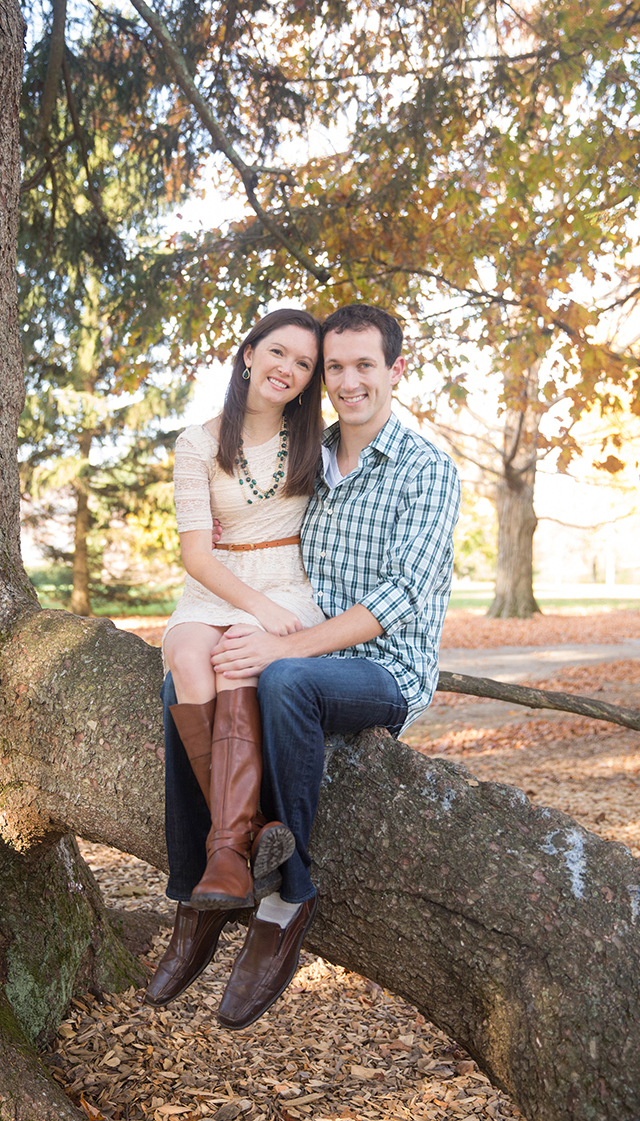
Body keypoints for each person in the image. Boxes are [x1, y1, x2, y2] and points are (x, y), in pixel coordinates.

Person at [145, 303, 462, 1030]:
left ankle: (289, 893)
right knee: (182, 679)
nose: (348, 382)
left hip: (382, 669)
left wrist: (281, 645)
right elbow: (246, 518)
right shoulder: (306, 453)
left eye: (363, 366)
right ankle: (202, 885)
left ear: (395, 371)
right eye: (337, 367)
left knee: (280, 678)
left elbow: (401, 597)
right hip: (299, 638)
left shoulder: (425, 469)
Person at [155, 307, 327, 916]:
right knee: (185, 657)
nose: (289, 368)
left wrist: (263, 609)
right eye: (278, 352)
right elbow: (196, 555)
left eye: (304, 364)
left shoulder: (315, 439)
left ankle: (226, 851)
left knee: (234, 657)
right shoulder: (198, 443)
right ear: (249, 354)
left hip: (284, 581)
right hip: (220, 582)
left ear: (310, 380)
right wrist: (246, 602)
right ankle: (246, 830)